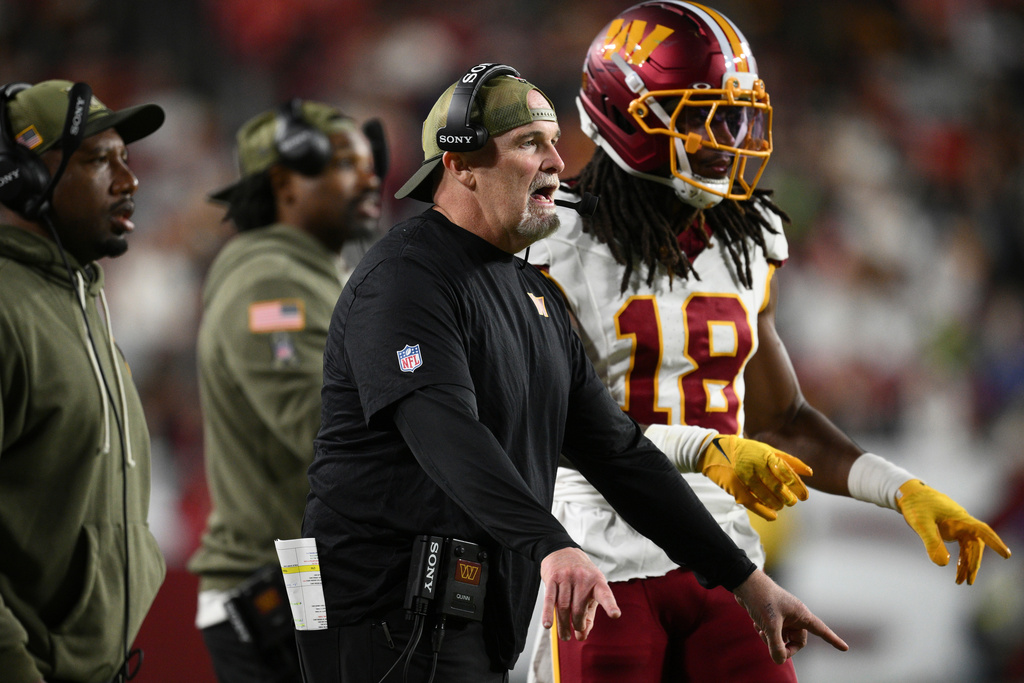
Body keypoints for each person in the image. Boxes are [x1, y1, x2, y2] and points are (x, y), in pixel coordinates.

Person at [296, 63, 848, 683]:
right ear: (459, 165)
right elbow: (443, 431)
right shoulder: (404, 280)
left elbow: (620, 453)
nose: (559, 161)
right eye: (530, 143)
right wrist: (553, 542)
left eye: (555, 141)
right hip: (376, 608)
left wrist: (745, 580)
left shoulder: (532, 294)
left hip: (460, 611)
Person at [522, 2, 1014, 682]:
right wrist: (708, 447)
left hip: (725, 561)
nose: (726, 136)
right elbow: (568, 424)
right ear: (624, 113)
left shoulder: (745, 241)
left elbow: (782, 421)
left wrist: (899, 488)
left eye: (732, 114)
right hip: (599, 562)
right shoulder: (551, 236)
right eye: (697, 115)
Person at [186, 100, 383, 683]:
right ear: (284, 184)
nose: (371, 178)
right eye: (347, 162)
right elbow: (321, 430)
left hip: (301, 579)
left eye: (371, 162)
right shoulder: (272, 282)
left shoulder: (314, 274)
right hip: (280, 587)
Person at [0, 79, 167, 683]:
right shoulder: (6, 306)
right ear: (21, 177)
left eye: (126, 159)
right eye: (99, 160)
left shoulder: (82, 297)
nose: (129, 181)